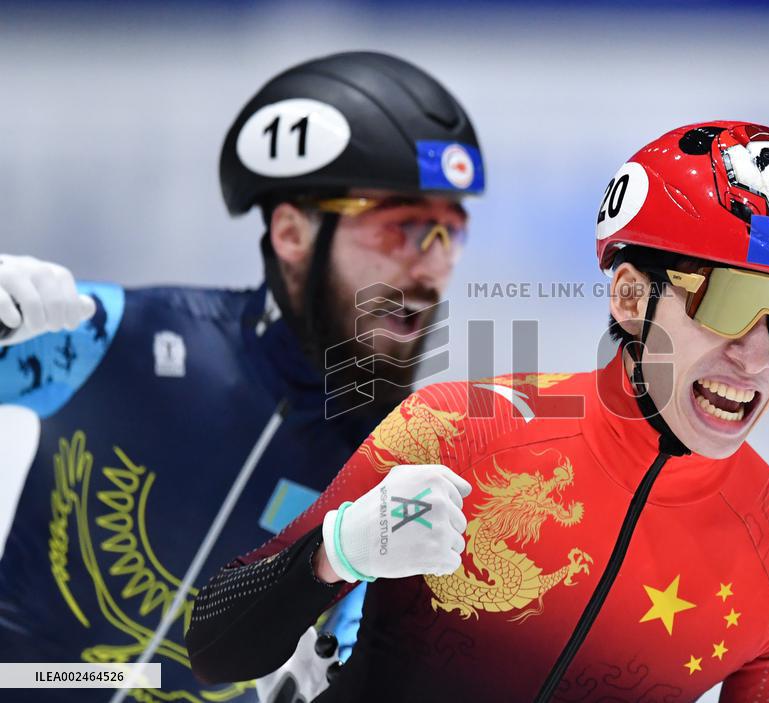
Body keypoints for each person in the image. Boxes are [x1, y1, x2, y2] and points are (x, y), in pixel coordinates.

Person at [186, 120, 769, 703]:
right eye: (728, 303)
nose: (756, 357)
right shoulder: (458, 429)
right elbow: (215, 647)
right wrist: (340, 548)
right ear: (628, 297)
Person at [0, 51, 485, 703]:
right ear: (291, 232)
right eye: (404, 228)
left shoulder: (391, 470)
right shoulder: (124, 338)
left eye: (449, 234)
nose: (431, 270)